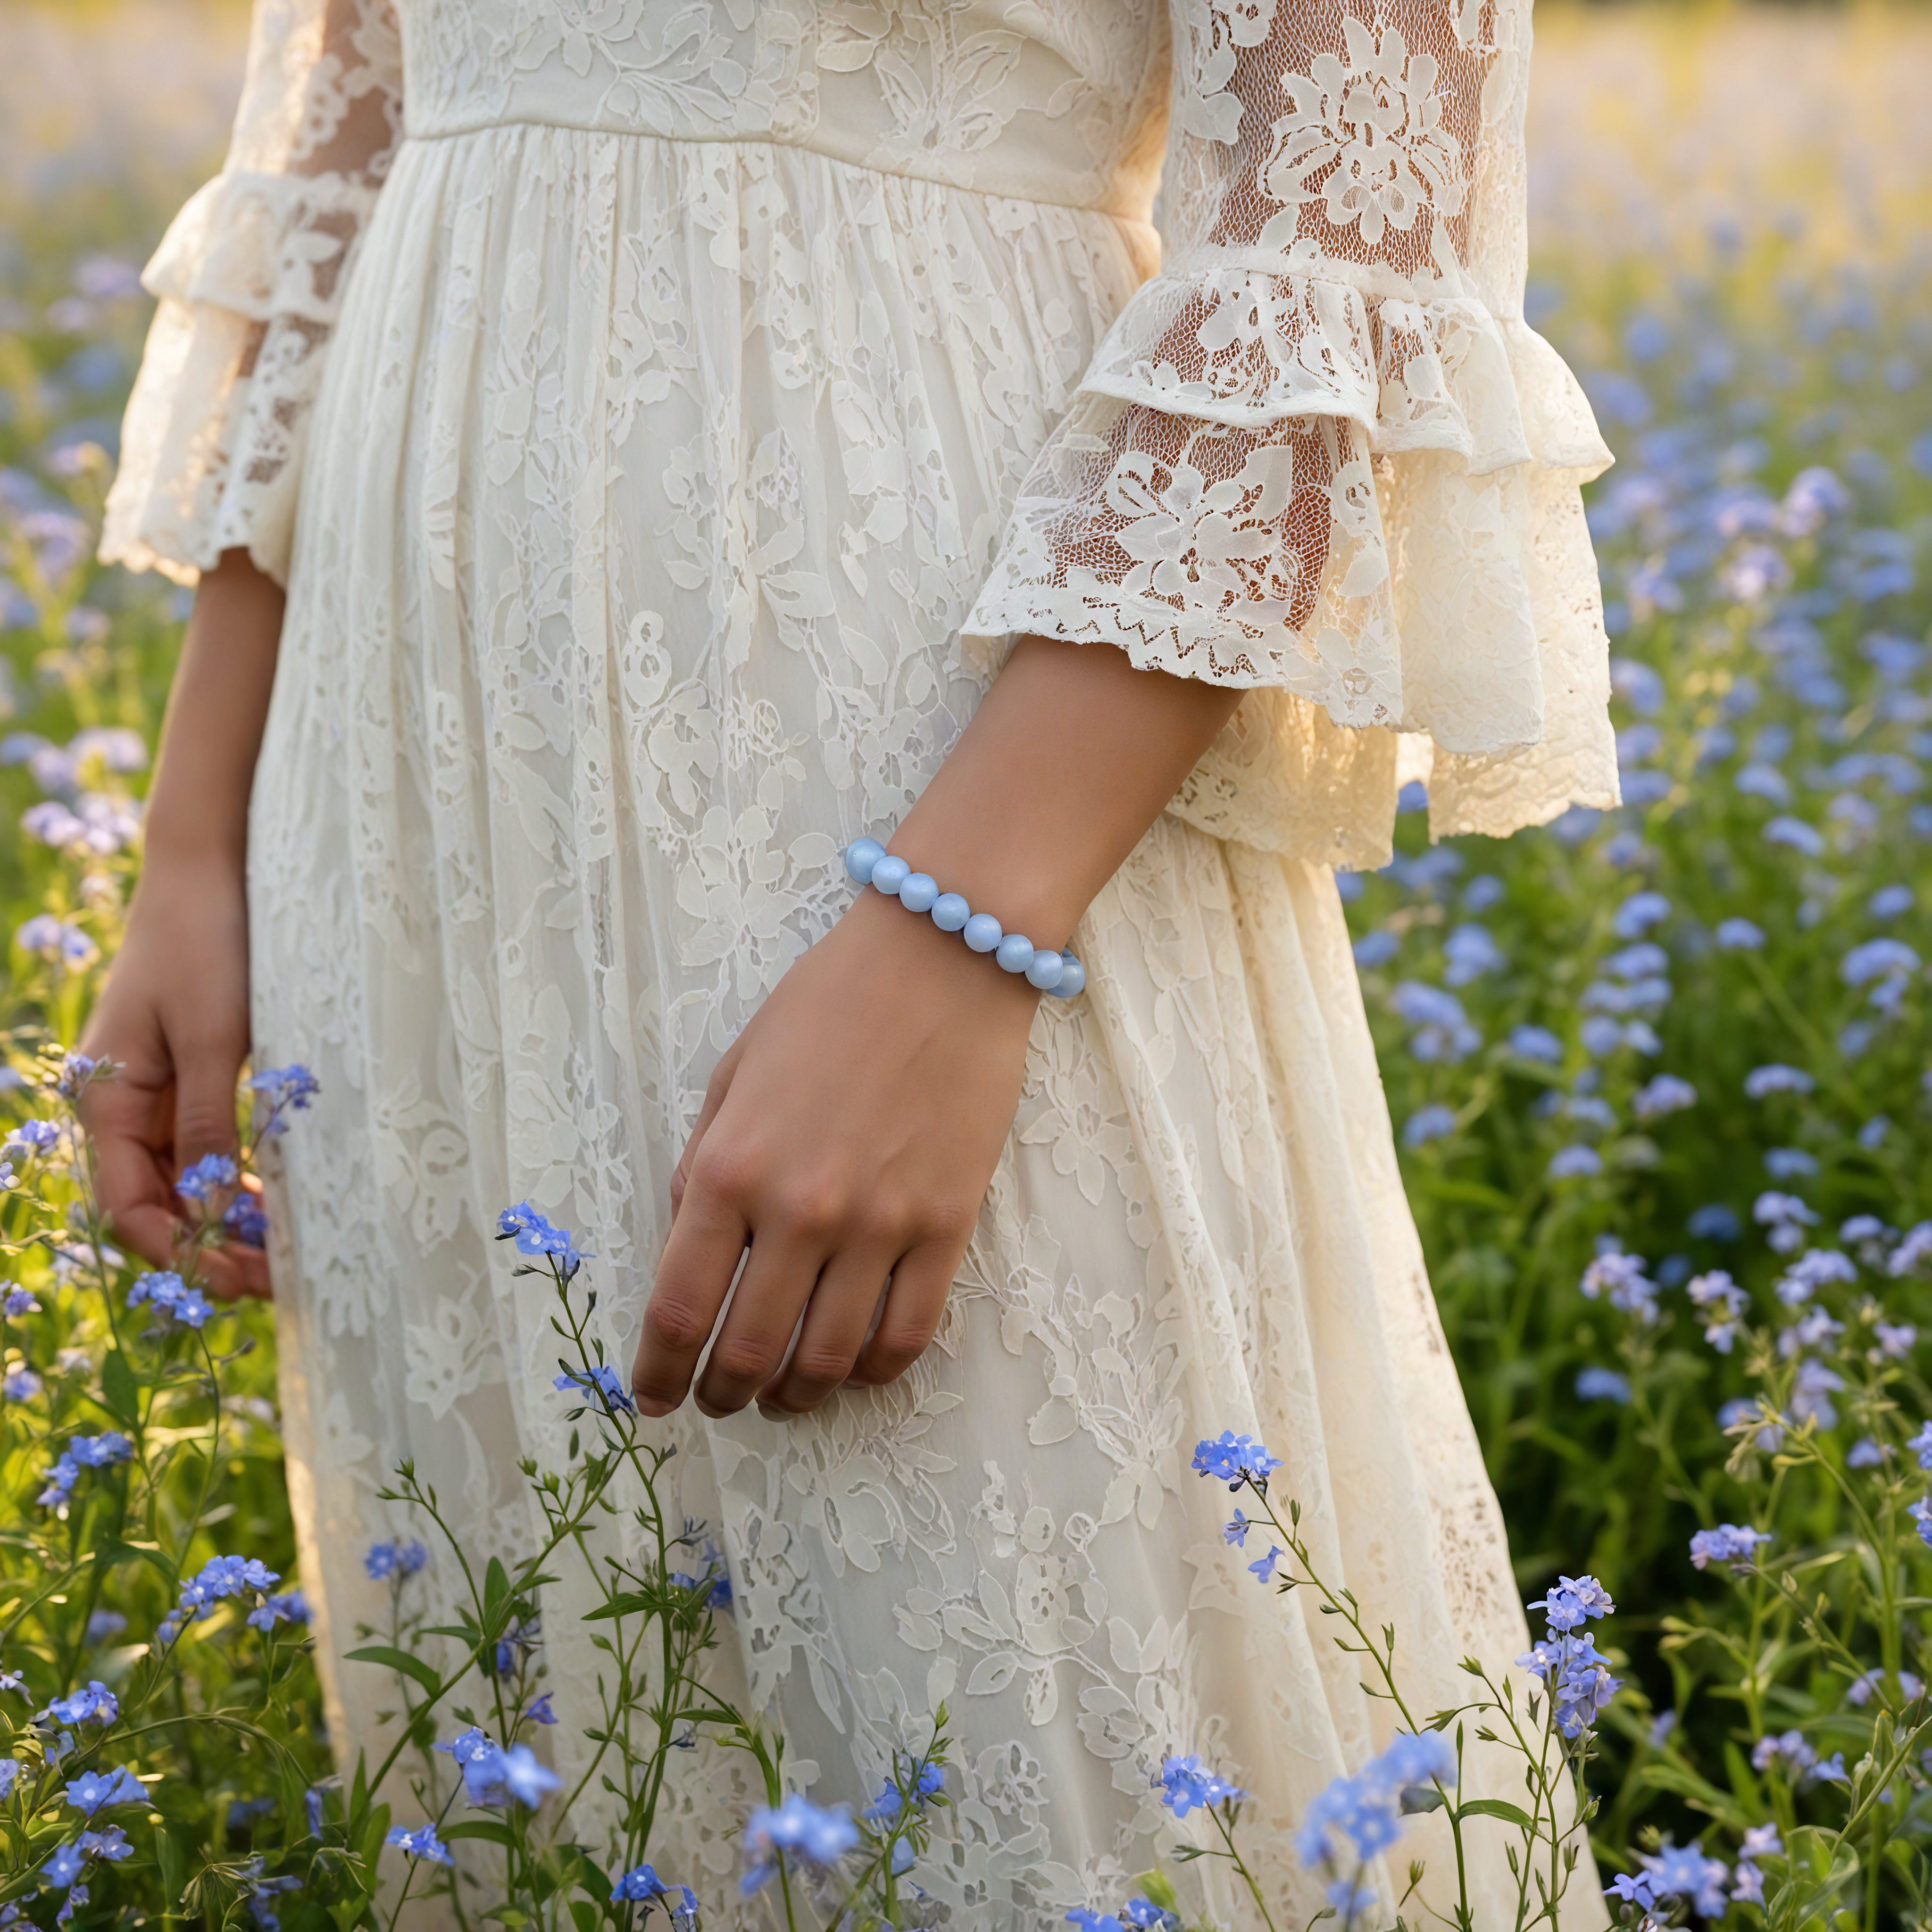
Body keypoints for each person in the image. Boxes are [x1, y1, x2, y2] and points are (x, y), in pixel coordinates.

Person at [85, 1, 1617, 1924]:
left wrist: (958, 931)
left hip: (928, 761)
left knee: (1061, 1769)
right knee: (551, 1776)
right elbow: (343, 136)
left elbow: (1341, 229)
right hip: (396, 780)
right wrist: (196, 840)